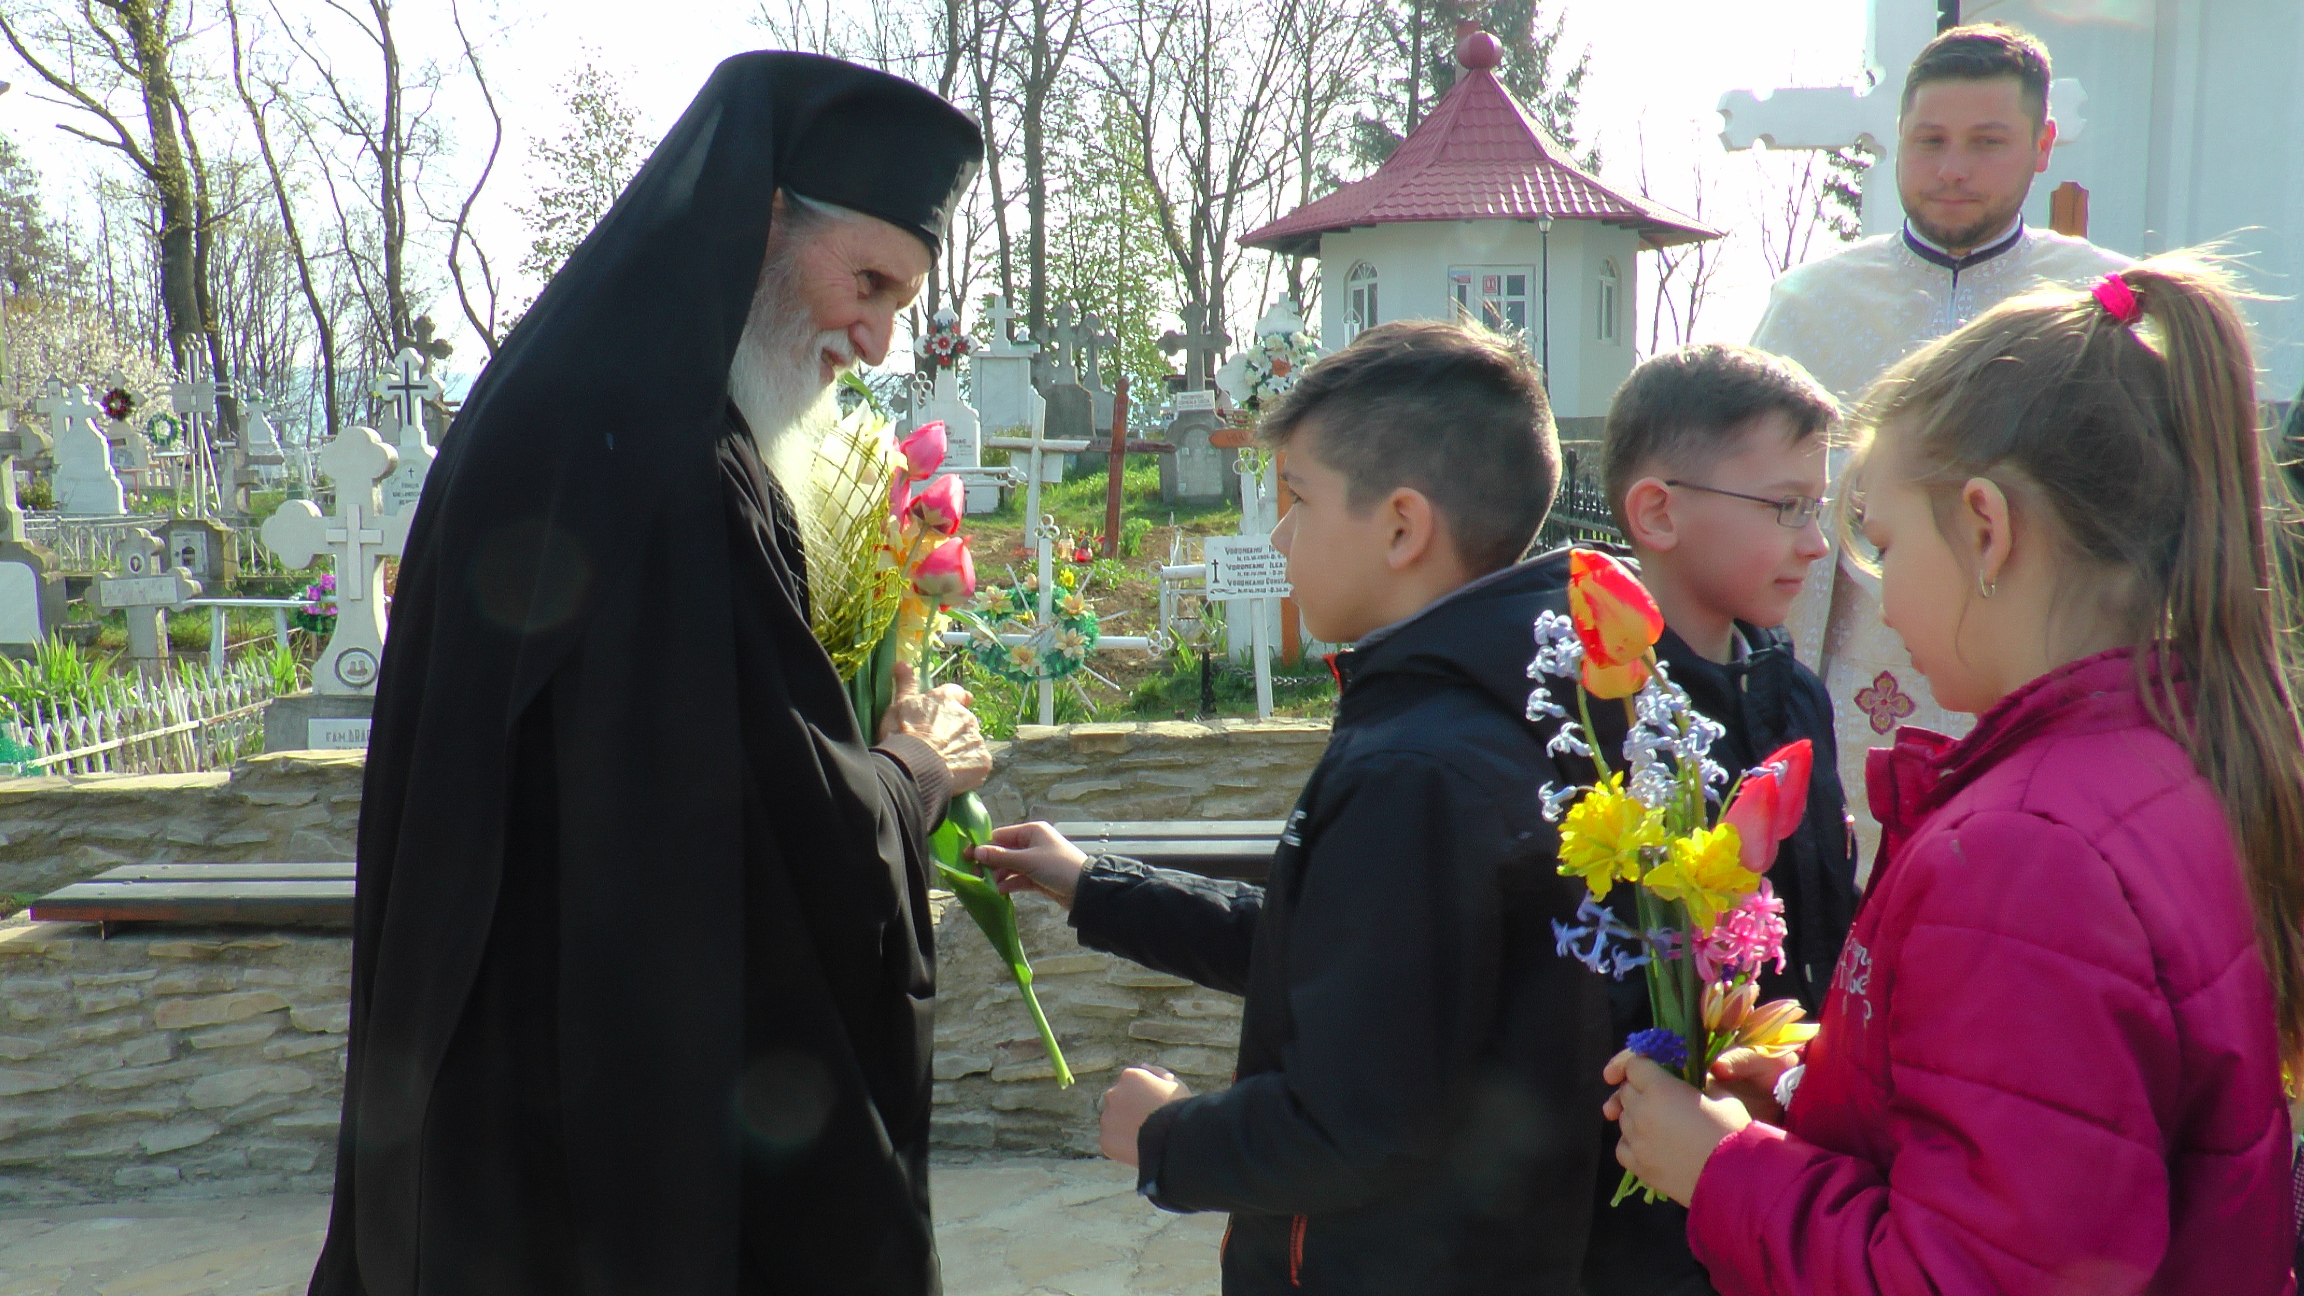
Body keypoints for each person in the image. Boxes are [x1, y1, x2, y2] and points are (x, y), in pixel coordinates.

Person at [309, 55, 991, 1296]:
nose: (879, 338)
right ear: (767, 221)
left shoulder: (555, 395)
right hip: (606, 1101)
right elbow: (771, 825)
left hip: (497, 1062)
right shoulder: (680, 464)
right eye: (870, 282)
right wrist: (913, 770)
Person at [1605, 260, 2302, 1293]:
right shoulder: (2162, 762)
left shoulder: (2028, 858)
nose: (1878, 606)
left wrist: (1721, 1169)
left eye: (1880, 545)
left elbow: (1972, 1273)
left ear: (1986, 528)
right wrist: (1817, 1095)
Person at [976, 320, 1624, 1293]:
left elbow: (1356, 1123)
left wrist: (1167, 1136)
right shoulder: (1536, 711)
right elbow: (1347, 957)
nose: (1278, 537)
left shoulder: (1418, 768)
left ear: (1402, 527)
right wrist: (1099, 888)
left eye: (1299, 500)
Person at [1750, 23, 2128, 867]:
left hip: (2044, 702)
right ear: (1898, 142)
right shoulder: (1810, 306)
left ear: (2042, 146)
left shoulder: (2094, 305)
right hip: (1852, 701)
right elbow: (1761, 508)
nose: (1952, 168)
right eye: (1930, 141)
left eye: (1986, 142)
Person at [1570, 344, 1857, 1296]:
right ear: (1657, 511)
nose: (1815, 543)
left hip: (1784, 1153)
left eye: (1820, 508)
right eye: (1786, 508)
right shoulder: (1597, 722)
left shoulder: (1795, 695)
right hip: (1636, 1184)